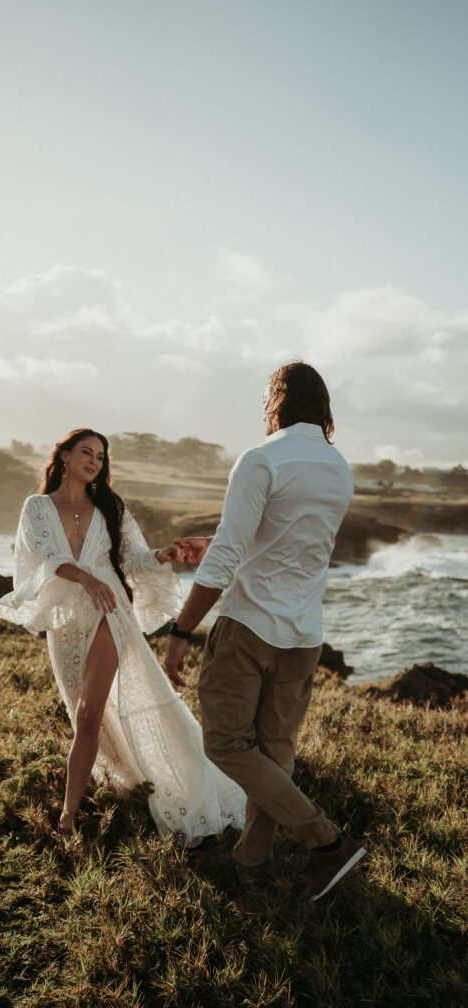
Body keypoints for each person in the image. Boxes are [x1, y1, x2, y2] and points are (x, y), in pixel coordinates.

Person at [164, 361, 366, 900]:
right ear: (321, 406)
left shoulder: (261, 458)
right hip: (303, 634)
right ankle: (251, 861)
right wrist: (226, 539)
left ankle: (326, 842)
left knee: (227, 744)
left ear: (277, 400)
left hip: (250, 625)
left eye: (265, 398)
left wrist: (182, 630)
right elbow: (289, 539)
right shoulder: (338, 467)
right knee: (275, 753)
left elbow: (232, 552)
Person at [0, 428, 246, 846]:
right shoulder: (37, 506)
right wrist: (84, 580)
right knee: (84, 714)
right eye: (86, 452)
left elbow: (130, 557)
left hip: (111, 611)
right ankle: (125, 780)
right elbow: (47, 556)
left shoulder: (109, 506)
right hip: (68, 623)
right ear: (65, 457)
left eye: (100, 456)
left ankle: (67, 817)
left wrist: (162, 555)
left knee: (88, 715)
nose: (94, 461)